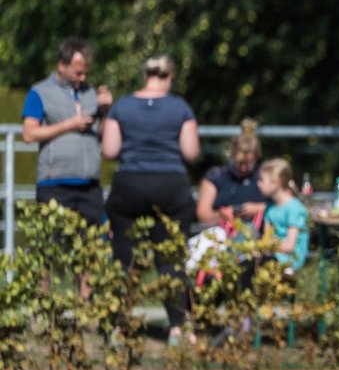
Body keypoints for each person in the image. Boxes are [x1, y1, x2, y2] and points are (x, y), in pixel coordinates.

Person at [100, 54, 200, 346]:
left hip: (129, 185)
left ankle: (119, 325)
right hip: (171, 186)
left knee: (124, 258)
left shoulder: (122, 107)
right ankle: (177, 327)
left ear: (145, 75)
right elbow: (191, 152)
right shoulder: (180, 107)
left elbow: (109, 150)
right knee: (170, 258)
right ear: (170, 77)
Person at [21, 38, 113, 230]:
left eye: (85, 73)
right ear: (62, 65)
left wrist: (105, 113)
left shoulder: (91, 93)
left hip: (90, 186)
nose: (82, 78)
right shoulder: (40, 92)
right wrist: (69, 125)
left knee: (93, 250)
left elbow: (103, 137)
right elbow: (29, 134)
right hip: (55, 185)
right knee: (56, 247)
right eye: (78, 73)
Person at [196, 119, 266, 227]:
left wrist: (260, 208)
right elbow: (203, 215)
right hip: (222, 233)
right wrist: (220, 214)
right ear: (232, 155)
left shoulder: (265, 175)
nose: (243, 168)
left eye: (249, 164)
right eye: (239, 163)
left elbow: (286, 203)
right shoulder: (216, 176)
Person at [257, 158, 309, 273]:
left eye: (262, 180)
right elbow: (267, 237)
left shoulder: (294, 208)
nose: (258, 184)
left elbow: (289, 246)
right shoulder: (270, 209)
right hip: (273, 255)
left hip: (290, 260)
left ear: (275, 183)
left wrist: (264, 246)